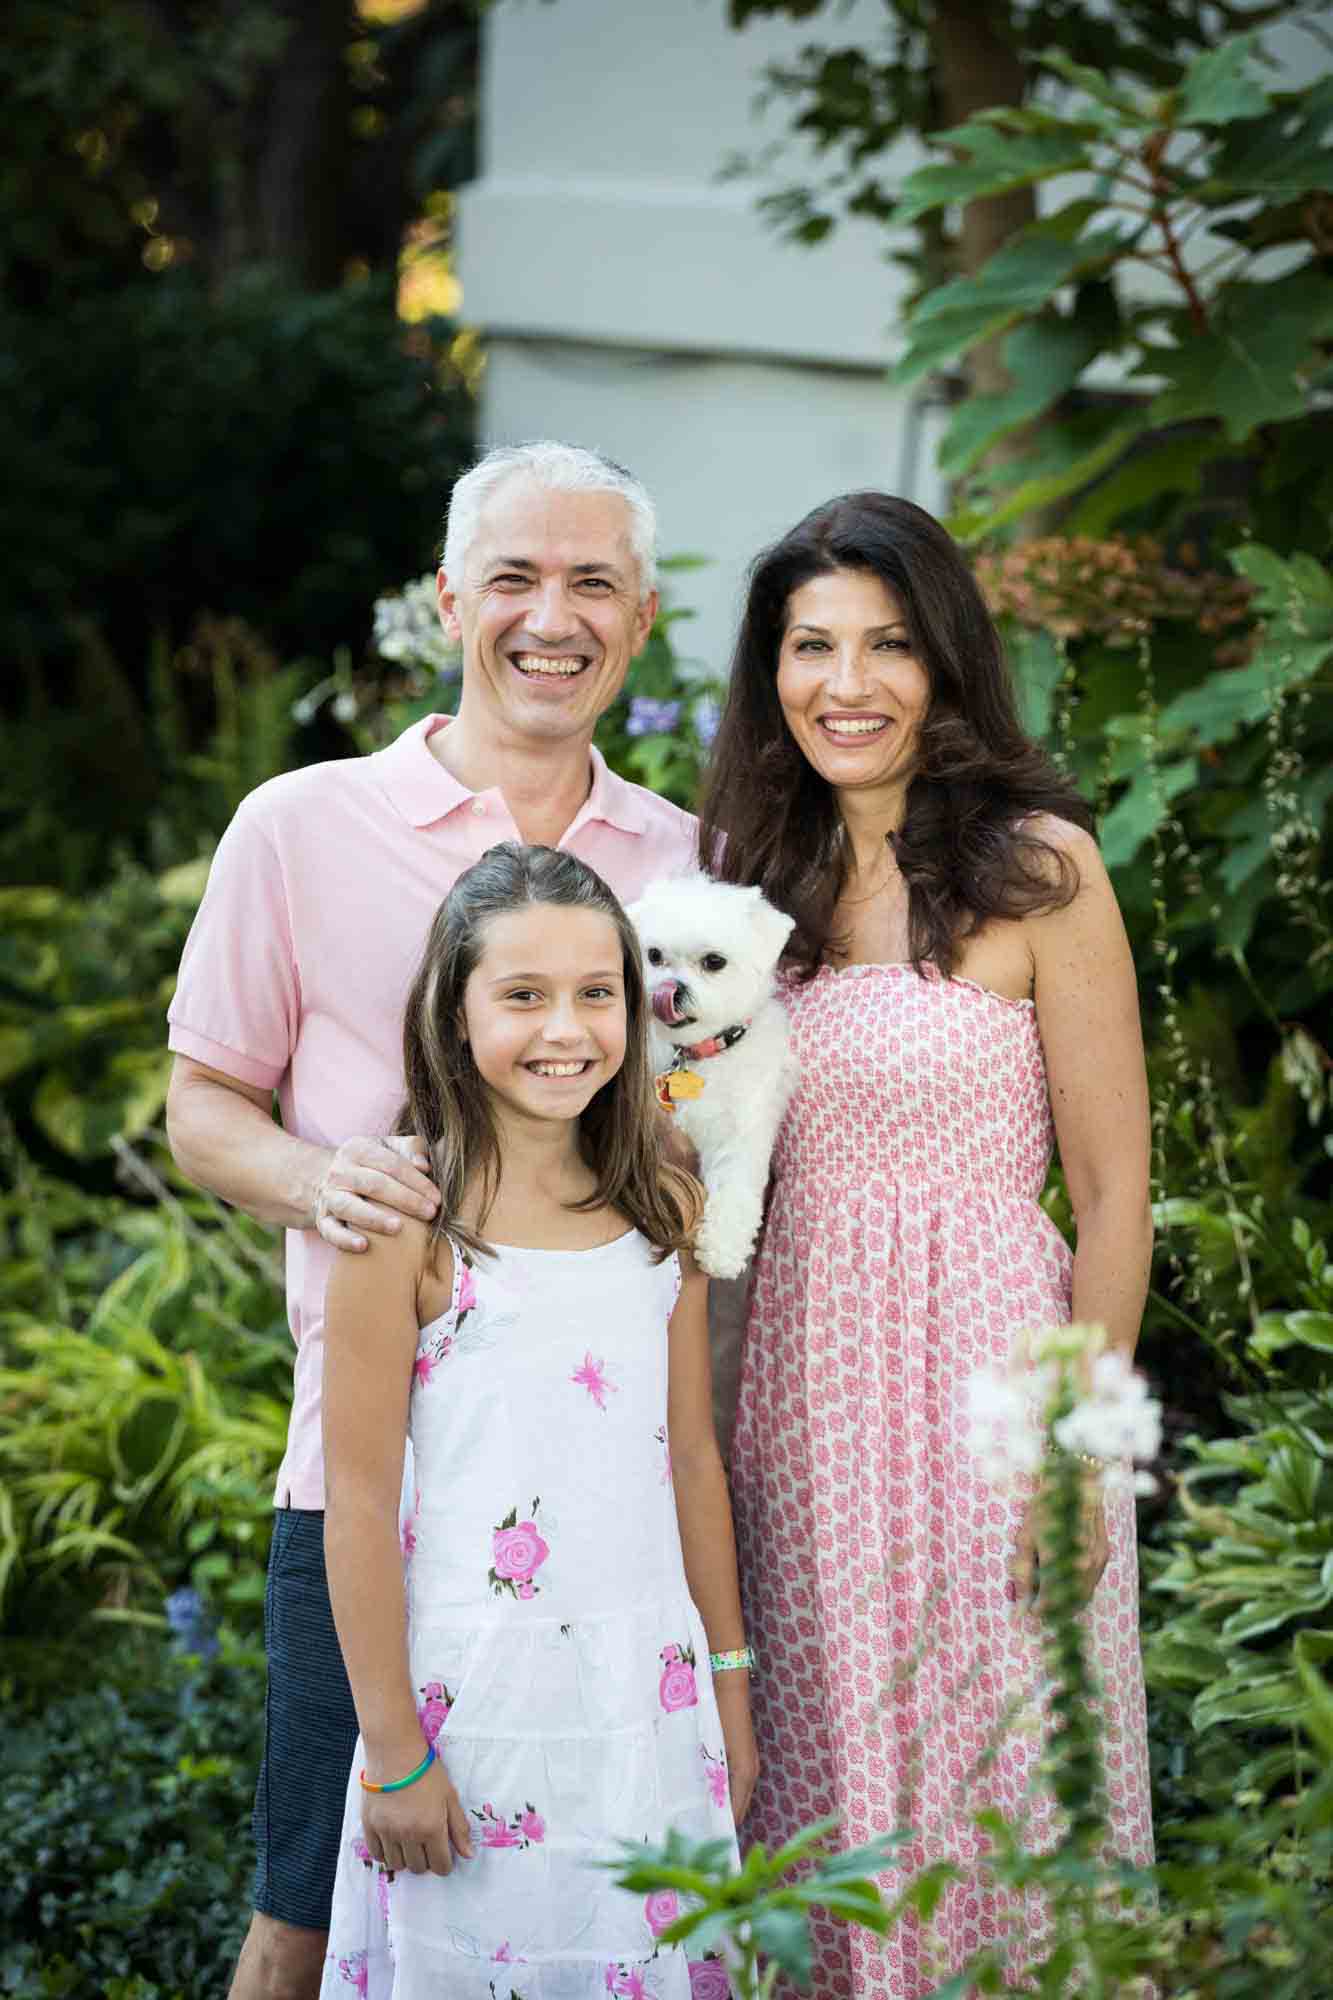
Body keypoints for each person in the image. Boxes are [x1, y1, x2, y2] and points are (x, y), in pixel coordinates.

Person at [165, 442, 699, 2000]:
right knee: (308, 1915)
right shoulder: (298, 824)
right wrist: (315, 1180)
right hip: (371, 1488)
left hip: (607, 1508)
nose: (554, 616)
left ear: (643, 618)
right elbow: (203, 1103)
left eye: (593, 581)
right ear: (447, 600)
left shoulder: (687, 862)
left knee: (594, 1922)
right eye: (516, 578)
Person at [698, 492, 1154, 2000]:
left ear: (946, 663)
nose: (847, 682)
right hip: (800, 1410)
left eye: (887, 645)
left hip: (989, 1405)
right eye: (811, 645)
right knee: (829, 1800)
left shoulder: (1041, 870)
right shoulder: (744, 886)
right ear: (770, 671)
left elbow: (1109, 1189)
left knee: (1007, 1783)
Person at [318, 840, 755, 1996]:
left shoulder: (662, 1197)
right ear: (453, 1014)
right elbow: (356, 1500)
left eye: (595, 993)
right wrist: (394, 1753)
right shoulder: (402, 1217)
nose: (566, 1027)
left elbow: (692, 1457)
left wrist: (730, 1682)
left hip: (647, 1706)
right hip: (476, 1711)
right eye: (522, 994)